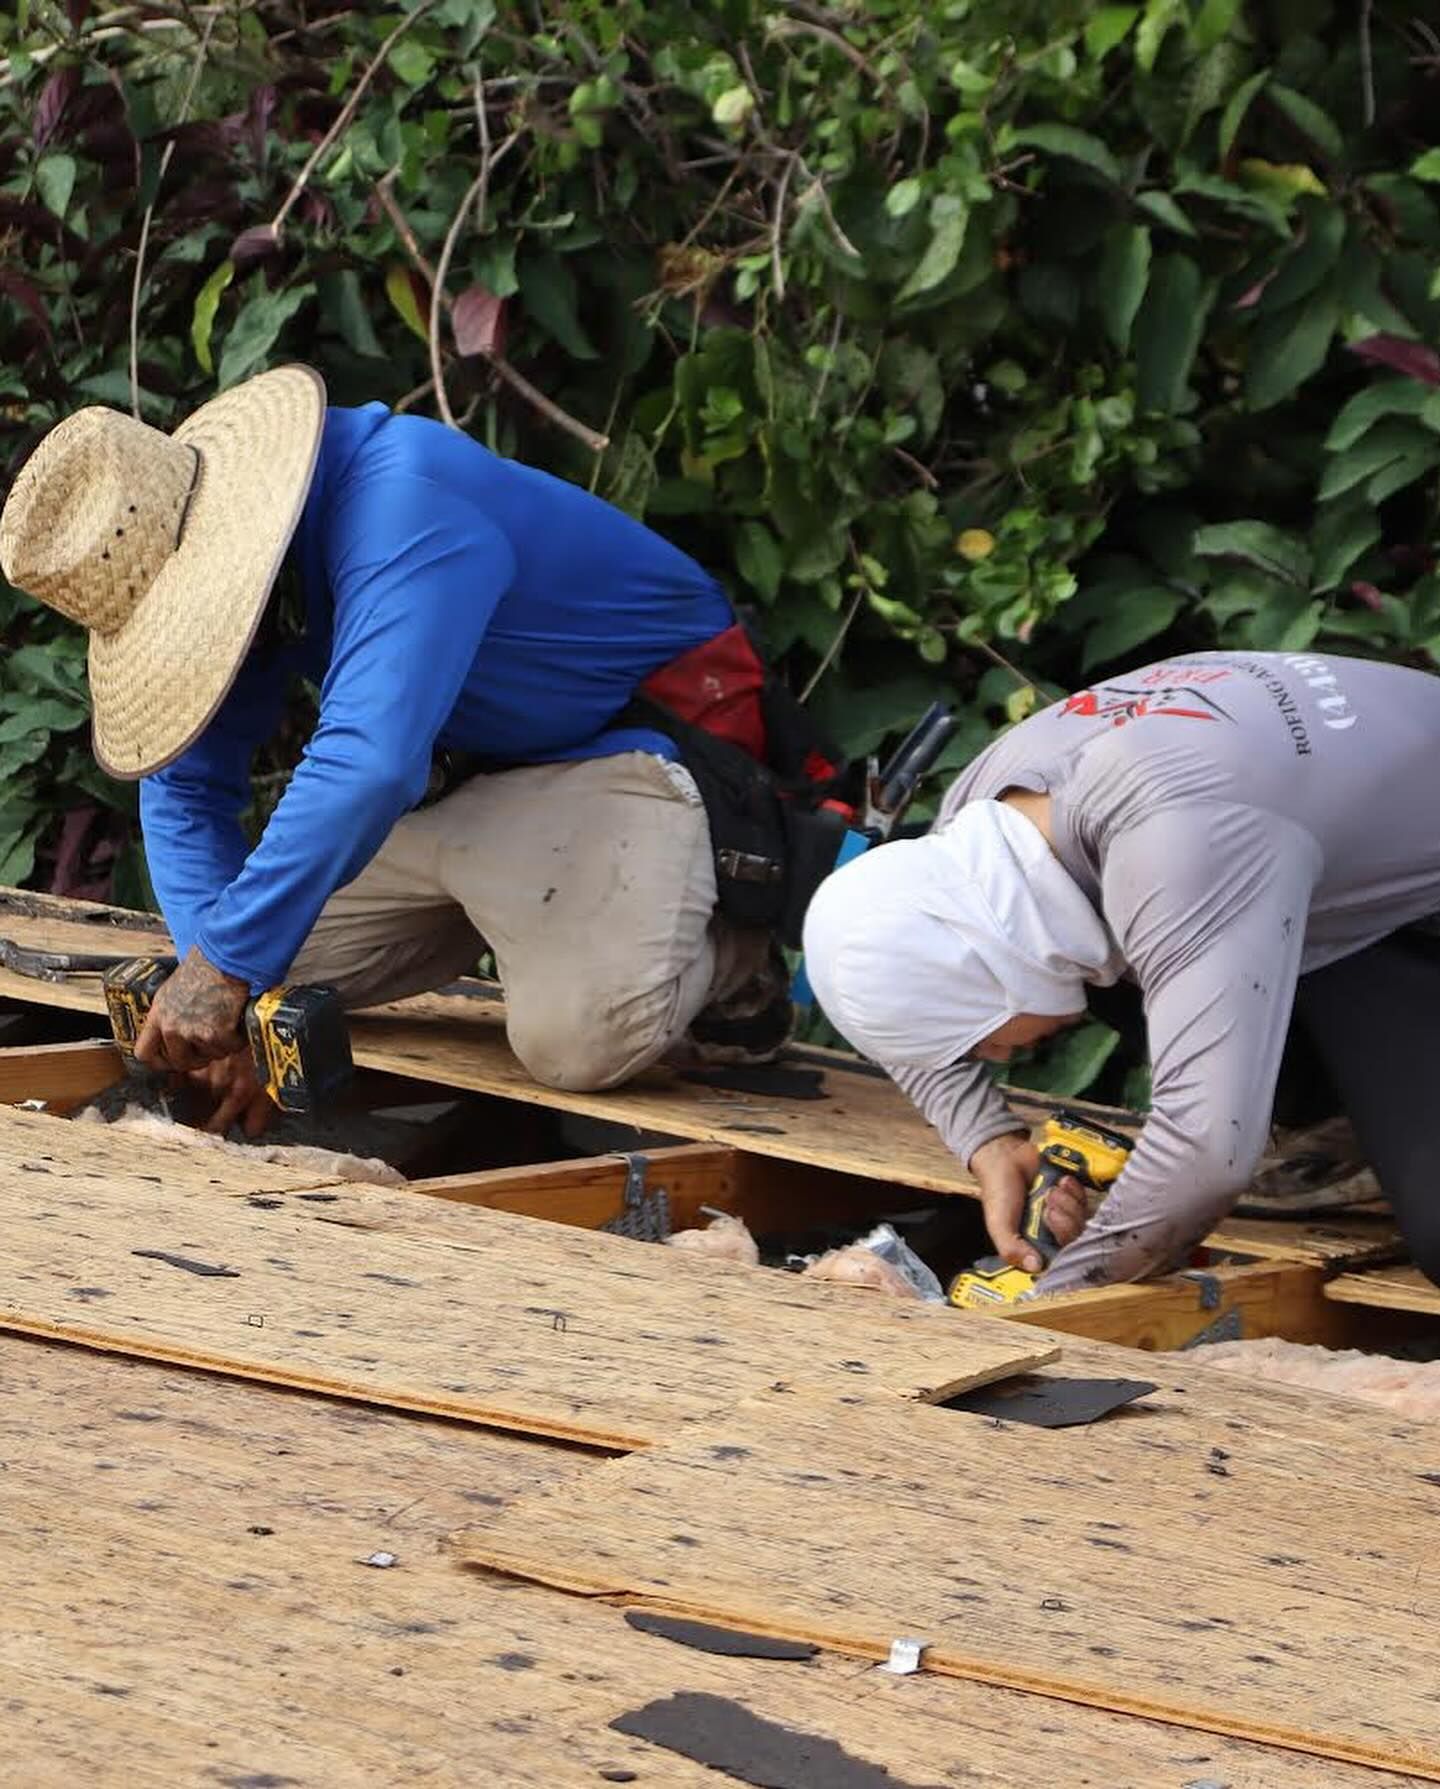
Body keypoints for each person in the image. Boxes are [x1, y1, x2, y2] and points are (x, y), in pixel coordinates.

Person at [0, 365, 805, 1134]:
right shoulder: (249, 567)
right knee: (264, 955)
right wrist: (227, 999)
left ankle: (734, 958)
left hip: (633, 755)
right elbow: (183, 789)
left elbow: (369, 765)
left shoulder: (402, 500)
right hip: (481, 781)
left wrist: (225, 970)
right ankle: (532, 914)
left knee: (578, 1042)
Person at [802, 650, 1440, 1293]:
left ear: (994, 972)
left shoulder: (1179, 848)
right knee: (1121, 949)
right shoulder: (985, 834)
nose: (991, 1057)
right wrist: (988, 1139)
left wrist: (1049, 1304)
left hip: (1412, 899)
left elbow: (1205, 1152)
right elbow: (912, 1006)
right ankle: (1339, 1125)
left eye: (979, 1042)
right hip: (1339, 868)